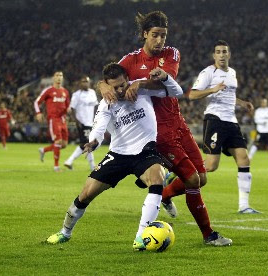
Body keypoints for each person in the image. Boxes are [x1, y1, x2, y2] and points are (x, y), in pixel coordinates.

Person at [98, 11, 232, 246]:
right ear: (144, 35)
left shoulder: (172, 53)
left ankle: (166, 194)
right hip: (158, 132)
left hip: (178, 122)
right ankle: (208, 234)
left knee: (202, 178)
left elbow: (165, 80)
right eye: (155, 36)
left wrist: (139, 83)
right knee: (192, 180)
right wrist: (101, 86)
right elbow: (108, 77)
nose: (160, 41)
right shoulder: (130, 61)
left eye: (163, 35)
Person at [45, 63, 183, 250]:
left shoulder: (141, 89)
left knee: (156, 178)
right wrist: (93, 141)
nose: (120, 89)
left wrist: (157, 79)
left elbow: (177, 91)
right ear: (108, 85)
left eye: (123, 84)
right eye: (115, 87)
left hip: (145, 151)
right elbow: (99, 127)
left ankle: (140, 237)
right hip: (118, 154)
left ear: (127, 79)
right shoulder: (106, 102)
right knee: (85, 195)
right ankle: (65, 232)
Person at [188, 40, 260, 214]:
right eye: (218, 52)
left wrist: (243, 103)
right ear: (214, 55)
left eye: (224, 51)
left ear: (229, 54)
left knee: (244, 159)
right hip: (215, 120)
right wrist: (212, 90)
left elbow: (229, 96)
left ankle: (244, 206)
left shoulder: (232, 73)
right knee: (211, 166)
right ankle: (181, 171)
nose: (221, 54)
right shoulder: (208, 72)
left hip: (231, 121)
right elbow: (192, 94)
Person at [34, 71, 70, 172]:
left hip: (62, 120)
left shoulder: (65, 92)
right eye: (57, 76)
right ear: (53, 78)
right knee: (58, 142)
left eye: (61, 76)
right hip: (53, 119)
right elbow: (37, 102)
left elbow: (67, 106)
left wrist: (68, 111)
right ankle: (56, 167)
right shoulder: (49, 90)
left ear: (62, 78)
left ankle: (43, 150)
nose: (59, 77)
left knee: (64, 144)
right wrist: (38, 113)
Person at [64, 76, 98, 170]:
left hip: (91, 122)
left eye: (87, 81)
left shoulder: (92, 92)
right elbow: (72, 109)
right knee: (86, 143)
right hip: (82, 122)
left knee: (88, 143)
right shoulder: (76, 94)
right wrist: (76, 121)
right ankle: (69, 161)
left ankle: (91, 166)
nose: (85, 83)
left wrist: (96, 118)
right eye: (83, 82)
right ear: (80, 83)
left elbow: (95, 106)